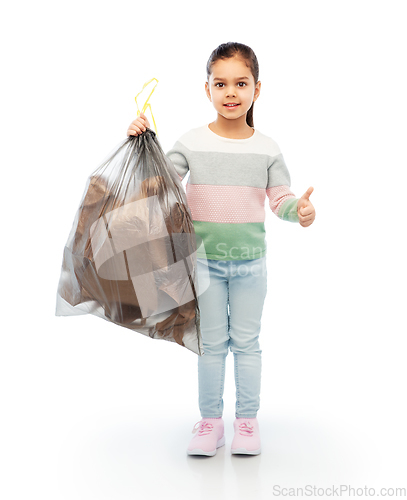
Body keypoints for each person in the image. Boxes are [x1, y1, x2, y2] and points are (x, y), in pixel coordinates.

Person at [127, 42, 316, 457]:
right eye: (221, 83)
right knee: (212, 344)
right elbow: (160, 181)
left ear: (257, 89)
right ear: (207, 90)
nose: (230, 92)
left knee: (246, 343)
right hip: (203, 265)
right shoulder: (191, 143)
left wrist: (298, 211)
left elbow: (280, 198)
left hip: (251, 266)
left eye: (240, 83)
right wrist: (141, 141)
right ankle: (210, 423)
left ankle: (246, 423)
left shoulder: (267, 148)